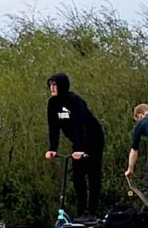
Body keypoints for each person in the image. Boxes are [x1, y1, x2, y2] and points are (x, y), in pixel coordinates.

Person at [44, 73, 105, 218]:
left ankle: (92, 212)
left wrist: (80, 149)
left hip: (93, 138)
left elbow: (80, 126)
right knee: (77, 176)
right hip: (78, 142)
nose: (52, 88)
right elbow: (53, 128)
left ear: (62, 86)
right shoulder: (52, 104)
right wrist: (52, 148)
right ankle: (81, 211)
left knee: (92, 174)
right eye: (50, 85)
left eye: (55, 85)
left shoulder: (75, 101)